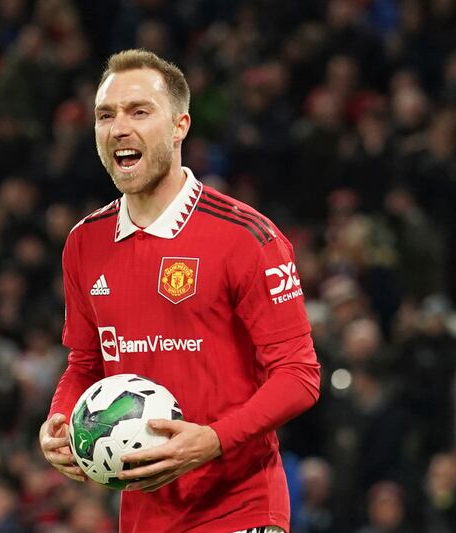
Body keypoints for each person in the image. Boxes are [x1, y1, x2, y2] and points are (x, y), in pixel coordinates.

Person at [38, 48, 321, 533]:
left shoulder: (247, 237)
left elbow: (300, 375)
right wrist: (61, 420)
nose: (118, 128)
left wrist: (211, 439)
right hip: (144, 515)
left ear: (180, 126)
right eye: (106, 115)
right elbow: (84, 365)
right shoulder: (84, 243)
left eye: (139, 112)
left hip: (241, 506)